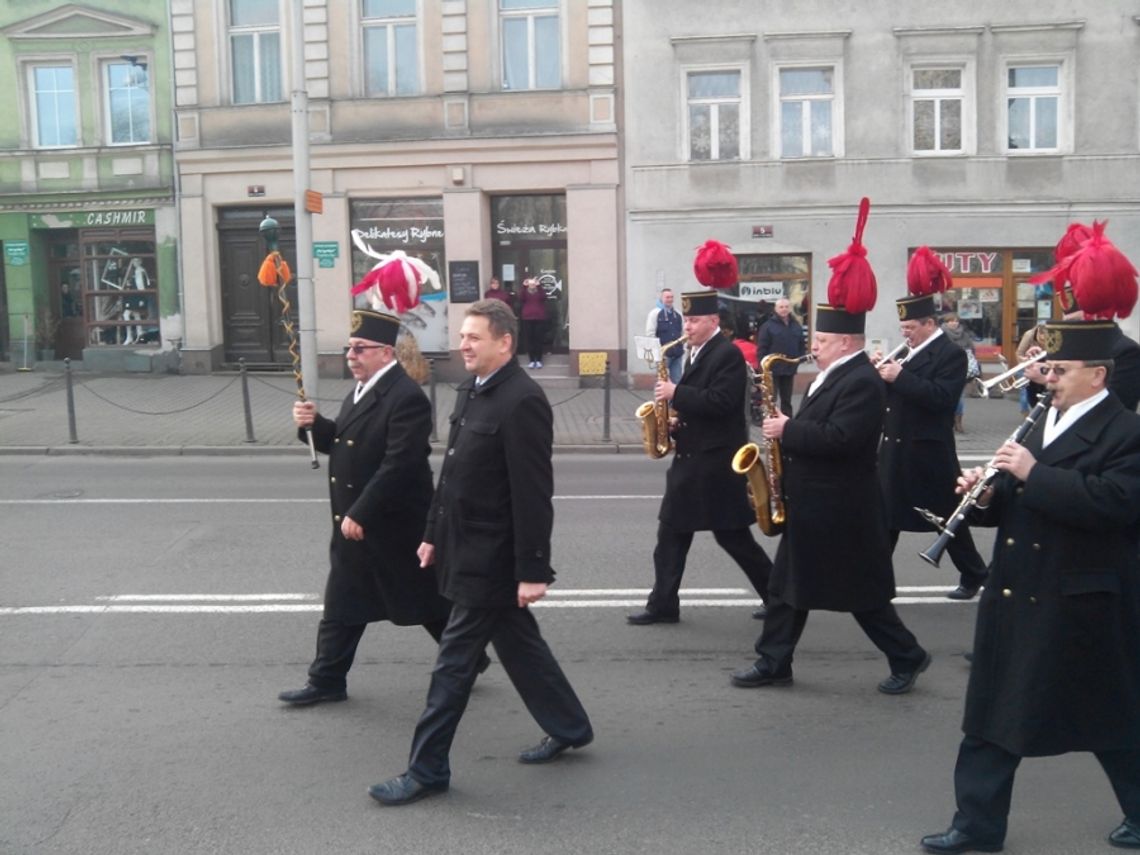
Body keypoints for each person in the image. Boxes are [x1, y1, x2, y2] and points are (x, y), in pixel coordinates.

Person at [920, 320, 1140, 854]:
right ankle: (977, 827)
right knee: (994, 714)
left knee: (1111, 721)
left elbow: (1114, 503)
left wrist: (1033, 473)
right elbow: (1022, 501)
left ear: (1098, 375)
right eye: (1049, 369)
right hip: (1019, 589)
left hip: (1078, 598)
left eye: (1060, 371)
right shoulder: (1044, 419)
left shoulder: (1126, 432)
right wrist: (988, 496)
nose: (1048, 379)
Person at [368, 299, 592, 806]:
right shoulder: (472, 389)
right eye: (462, 336)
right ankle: (571, 727)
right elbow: (450, 475)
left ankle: (426, 770)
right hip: (460, 544)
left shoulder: (522, 400)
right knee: (521, 647)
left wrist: (533, 570)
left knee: (452, 668)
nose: (462, 345)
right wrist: (431, 533)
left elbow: (533, 493)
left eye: (473, 337)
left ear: (505, 342)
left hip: (490, 558)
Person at [731, 199, 930, 694]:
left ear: (844, 342)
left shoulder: (862, 381)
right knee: (786, 588)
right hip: (814, 502)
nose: (812, 344)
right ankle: (774, 661)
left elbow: (844, 440)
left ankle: (907, 655)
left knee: (861, 597)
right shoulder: (829, 375)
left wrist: (785, 431)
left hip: (841, 508)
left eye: (820, 339)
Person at [278, 308, 455, 707]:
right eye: (349, 348)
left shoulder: (405, 397)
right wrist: (313, 425)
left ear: (386, 353)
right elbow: (342, 443)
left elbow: (400, 463)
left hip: (393, 523)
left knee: (425, 600)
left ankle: (469, 657)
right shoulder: (362, 389)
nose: (351, 356)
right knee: (343, 600)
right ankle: (326, 679)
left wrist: (362, 511)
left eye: (360, 348)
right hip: (358, 521)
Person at [626, 289, 772, 626]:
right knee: (671, 535)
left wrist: (677, 393)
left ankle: (778, 596)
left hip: (716, 465)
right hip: (694, 461)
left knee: (734, 538)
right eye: (686, 319)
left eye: (693, 320)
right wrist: (676, 423)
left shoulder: (727, 355)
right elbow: (703, 407)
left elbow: (721, 402)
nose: (687, 326)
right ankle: (663, 603)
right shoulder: (698, 352)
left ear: (713, 321)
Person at [879, 263, 989, 602]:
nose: (905, 334)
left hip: (928, 452)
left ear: (930, 323)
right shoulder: (910, 353)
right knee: (886, 519)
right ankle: (875, 582)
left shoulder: (950, 354)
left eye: (910, 327)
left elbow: (942, 400)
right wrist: (878, 377)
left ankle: (974, 573)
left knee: (947, 519)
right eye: (902, 327)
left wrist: (900, 377)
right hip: (896, 449)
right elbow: (893, 398)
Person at [757, 297, 806, 416]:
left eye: (786, 307)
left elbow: (801, 344)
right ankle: (771, 423)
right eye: (781, 307)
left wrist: (798, 360)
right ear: (776, 309)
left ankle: (787, 424)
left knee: (787, 401)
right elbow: (762, 348)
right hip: (772, 370)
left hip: (789, 368)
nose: (784, 309)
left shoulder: (796, 325)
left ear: (790, 309)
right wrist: (762, 367)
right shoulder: (767, 326)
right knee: (771, 400)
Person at [941, 313, 977, 432]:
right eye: (951, 321)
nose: (954, 323)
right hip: (945, 367)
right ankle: (948, 420)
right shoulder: (941, 334)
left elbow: (972, 348)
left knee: (959, 396)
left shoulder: (964, 334)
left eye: (956, 321)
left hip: (962, 367)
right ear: (946, 322)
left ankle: (958, 422)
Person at [646, 288, 685, 383]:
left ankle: (675, 399)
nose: (670, 299)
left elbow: (683, 333)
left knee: (677, 382)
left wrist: (684, 349)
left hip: (677, 355)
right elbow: (650, 334)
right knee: (661, 382)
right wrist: (658, 353)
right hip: (663, 356)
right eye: (667, 297)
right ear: (661, 298)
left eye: (671, 297)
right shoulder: (654, 314)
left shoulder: (678, 314)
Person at [1016, 323, 1048, 415]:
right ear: (1038, 333)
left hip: (1042, 366)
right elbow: (1019, 353)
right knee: (1024, 392)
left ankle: (1038, 413)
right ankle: (1026, 412)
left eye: (1045, 340)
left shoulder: (1051, 335)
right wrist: (1025, 361)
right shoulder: (1029, 335)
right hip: (1027, 364)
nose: (1043, 342)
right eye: (1041, 339)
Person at [518, 276, 548, 369]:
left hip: (539, 318)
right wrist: (524, 286)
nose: (532, 285)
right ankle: (531, 360)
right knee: (529, 340)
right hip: (527, 319)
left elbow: (544, 297)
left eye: (533, 283)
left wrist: (539, 286)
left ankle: (538, 360)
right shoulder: (525, 292)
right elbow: (521, 297)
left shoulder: (539, 291)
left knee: (538, 339)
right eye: (530, 284)